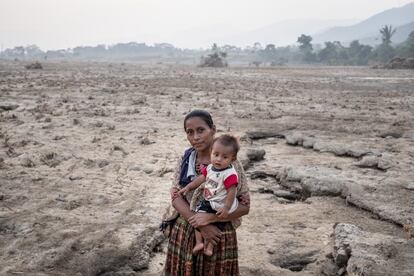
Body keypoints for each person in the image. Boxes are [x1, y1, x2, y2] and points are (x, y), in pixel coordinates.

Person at [161, 110, 250, 276]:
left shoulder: (231, 164)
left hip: (218, 234)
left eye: (201, 130)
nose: (195, 137)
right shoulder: (186, 158)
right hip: (185, 231)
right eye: (190, 132)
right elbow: (175, 196)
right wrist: (200, 224)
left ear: (213, 129)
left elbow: (245, 206)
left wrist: (211, 219)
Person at [178, 134, 240, 256]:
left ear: (232, 159)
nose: (218, 159)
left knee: (218, 225)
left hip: (221, 204)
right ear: (211, 152)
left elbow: (232, 192)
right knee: (198, 218)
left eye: (224, 157)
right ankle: (199, 243)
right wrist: (189, 187)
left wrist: (226, 208)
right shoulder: (210, 168)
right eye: (216, 155)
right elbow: (200, 179)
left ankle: (209, 247)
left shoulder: (229, 174)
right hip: (209, 200)